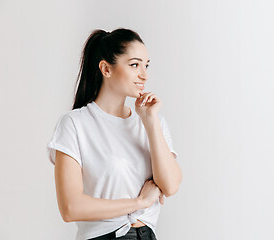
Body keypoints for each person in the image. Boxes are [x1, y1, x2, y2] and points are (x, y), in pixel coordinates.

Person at [46, 28, 183, 240]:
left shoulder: (152, 121)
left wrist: (150, 122)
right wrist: (140, 202)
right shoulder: (75, 124)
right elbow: (70, 208)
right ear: (106, 69)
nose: (144, 75)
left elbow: (171, 185)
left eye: (146, 66)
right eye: (134, 65)